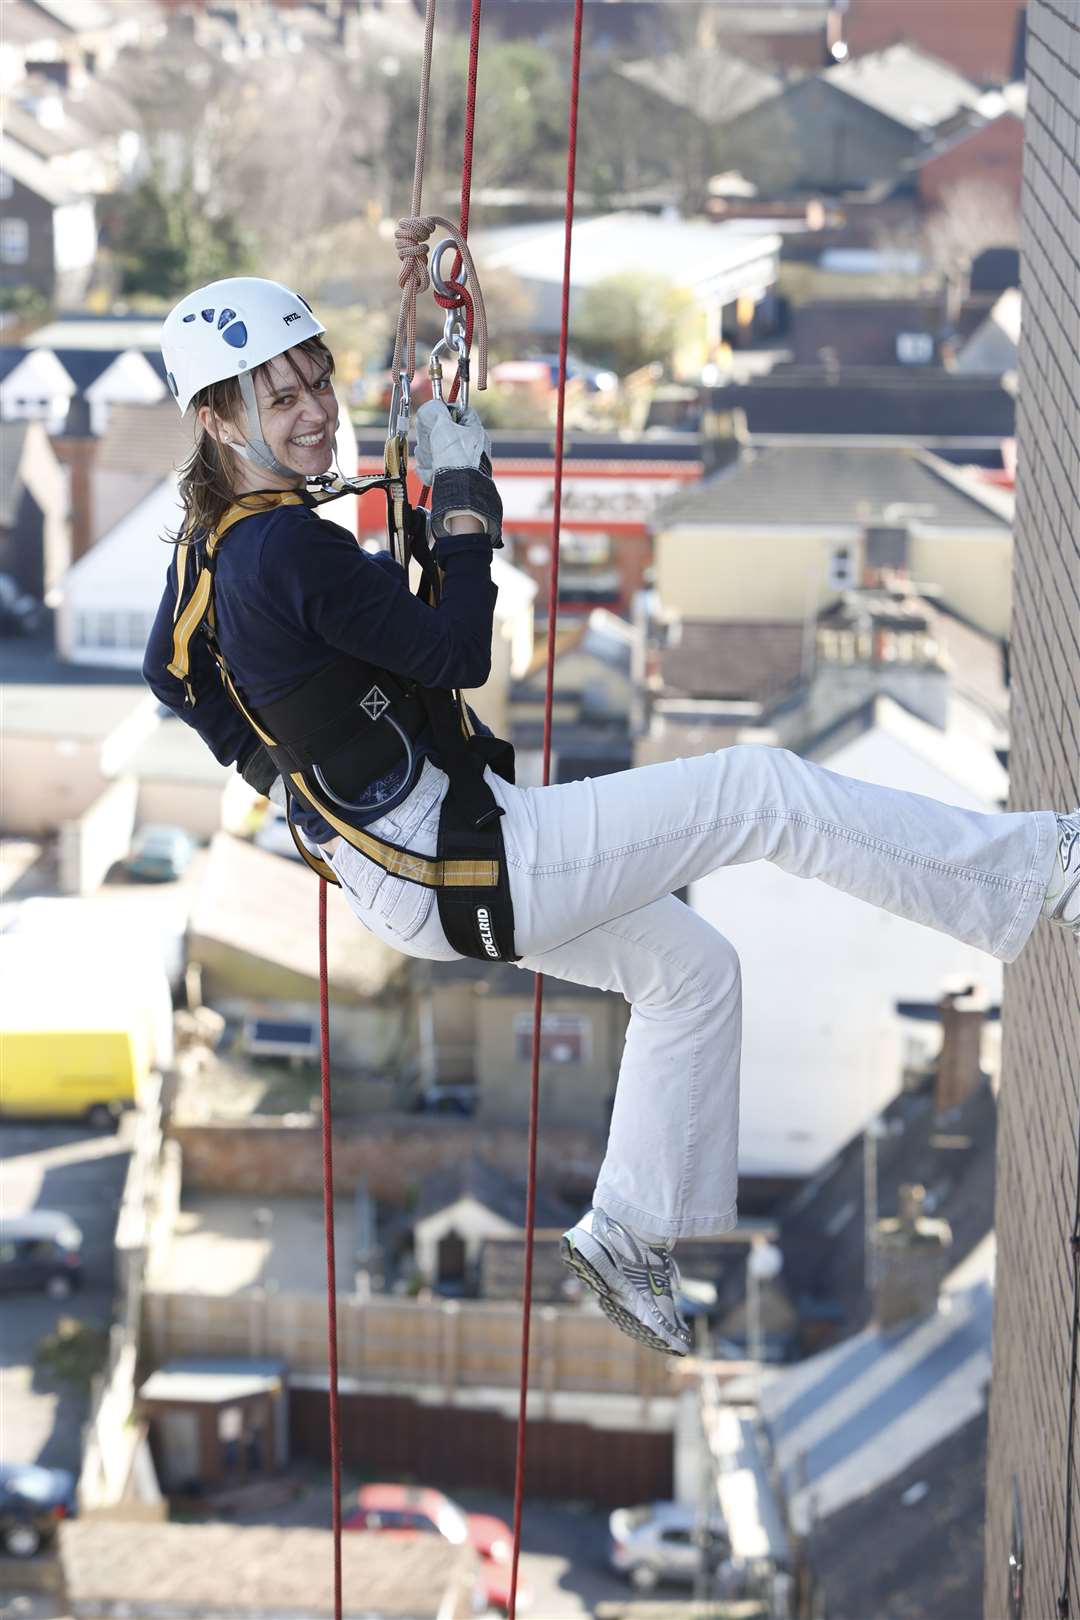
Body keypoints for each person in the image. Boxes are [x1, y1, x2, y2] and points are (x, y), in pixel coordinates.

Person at [144, 277, 1080, 1359]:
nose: (314, 410)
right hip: (466, 860)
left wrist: (292, 785)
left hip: (421, 870)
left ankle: (630, 1231)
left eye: (316, 379)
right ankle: (1040, 872)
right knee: (761, 790)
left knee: (693, 972)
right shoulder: (283, 548)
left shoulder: (209, 540)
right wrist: (461, 500)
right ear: (216, 417)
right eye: (277, 395)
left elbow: (173, 676)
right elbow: (458, 654)